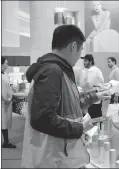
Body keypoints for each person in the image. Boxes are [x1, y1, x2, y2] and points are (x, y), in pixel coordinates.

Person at [22, 25, 110, 168]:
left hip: (62, 154)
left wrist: (95, 96)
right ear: (73, 46)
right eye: (81, 50)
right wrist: (79, 128)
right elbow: (43, 118)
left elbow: (68, 102)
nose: (80, 56)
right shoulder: (52, 71)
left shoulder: (59, 69)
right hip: (56, 158)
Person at [79, 54, 104, 118]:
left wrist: (83, 85)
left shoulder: (92, 70)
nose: (84, 63)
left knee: (94, 117)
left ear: (90, 62)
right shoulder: (95, 69)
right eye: (83, 61)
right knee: (96, 115)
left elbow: (89, 85)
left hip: (94, 97)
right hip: (95, 97)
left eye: (86, 61)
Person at [1, 57, 16, 148]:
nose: (7, 65)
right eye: (6, 63)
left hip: (6, 102)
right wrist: (4, 99)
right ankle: (6, 143)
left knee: (5, 122)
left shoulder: (5, 75)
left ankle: (6, 142)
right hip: (3, 102)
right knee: (3, 122)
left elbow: (7, 88)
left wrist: (10, 96)